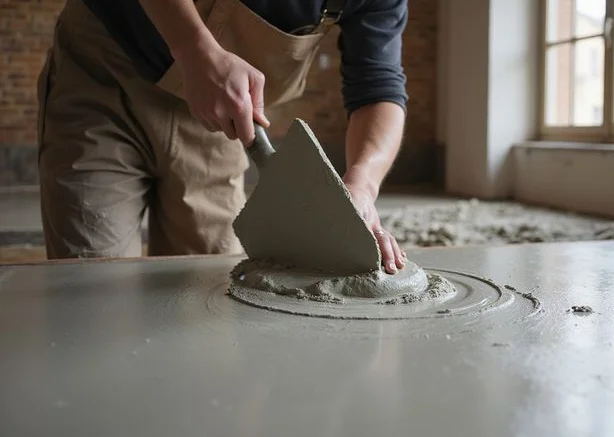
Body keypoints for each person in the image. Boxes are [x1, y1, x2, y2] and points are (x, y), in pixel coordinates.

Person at [36, 0, 408, 273]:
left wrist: (362, 186)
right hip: (106, 78)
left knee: (207, 296)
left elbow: (379, 86)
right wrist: (193, 47)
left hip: (222, 124)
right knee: (94, 284)